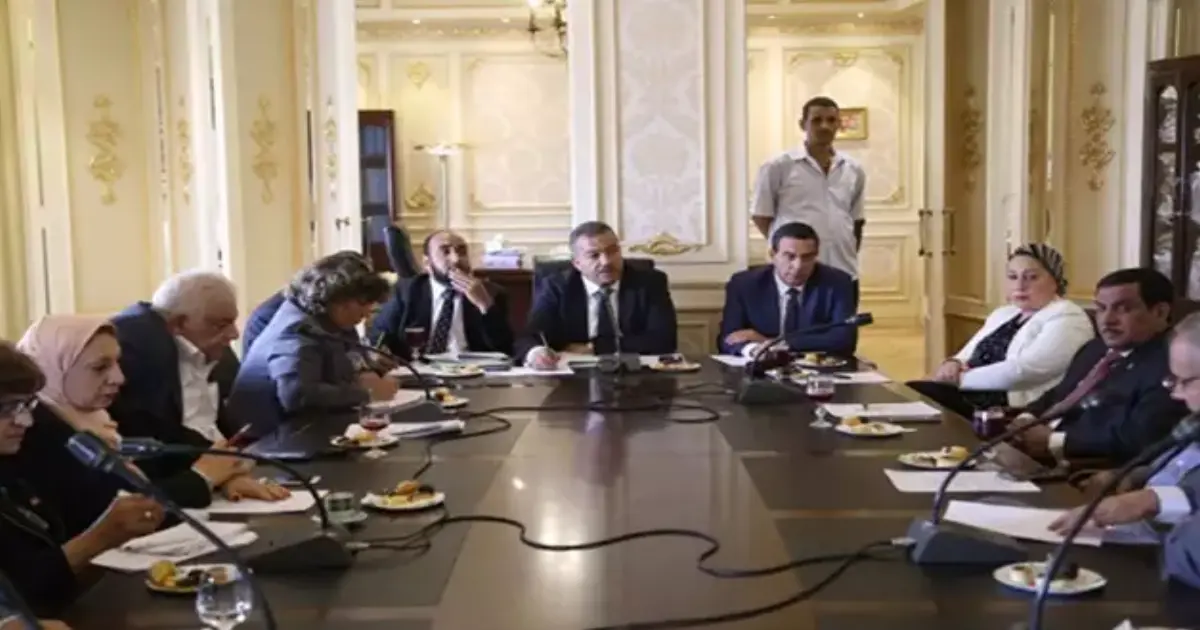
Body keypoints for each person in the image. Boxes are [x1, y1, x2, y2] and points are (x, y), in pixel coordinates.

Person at [14, 315, 284, 519]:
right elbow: (111, 510)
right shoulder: (32, 434)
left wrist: (227, 476)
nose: (119, 378)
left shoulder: (111, 411)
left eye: (117, 363)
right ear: (52, 369)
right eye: (100, 367)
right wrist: (204, 478)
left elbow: (190, 448)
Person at [0, 341, 165, 617]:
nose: (25, 421)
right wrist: (101, 536)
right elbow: (22, 589)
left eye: (27, 405)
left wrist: (111, 534)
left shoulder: (12, 467)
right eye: (7, 409)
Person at [1010, 268, 1186, 465]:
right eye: (1101, 308)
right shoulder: (1095, 348)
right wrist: (1027, 417)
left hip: (1079, 467)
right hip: (1032, 451)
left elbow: (1140, 437)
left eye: (1122, 309)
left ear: (1160, 312)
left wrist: (1054, 441)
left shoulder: (1175, 364)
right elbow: (1060, 393)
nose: (1107, 320)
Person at [1049, 312, 1200, 539]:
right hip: (1130, 534)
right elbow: (1178, 469)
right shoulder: (1193, 423)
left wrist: (1150, 500)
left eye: (1185, 382)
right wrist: (1130, 475)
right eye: (1173, 380)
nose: (1176, 394)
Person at [908, 244, 1094, 418]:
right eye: (1013, 277)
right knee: (910, 394)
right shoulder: (1005, 313)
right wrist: (953, 363)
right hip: (969, 393)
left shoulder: (1068, 316)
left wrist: (959, 380)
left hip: (1010, 408)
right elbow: (968, 352)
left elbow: (1026, 371)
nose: (1020, 285)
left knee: (918, 396)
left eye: (1031, 277)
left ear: (1055, 281)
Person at [229, 254, 396, 434]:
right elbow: (296, 395)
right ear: (338, 299)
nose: (369, 310)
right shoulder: (295, 330)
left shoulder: (328, 321)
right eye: (364, 302)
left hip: (302, 430)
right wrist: (366, 393)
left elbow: (341, 371)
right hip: (266, 439)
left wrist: (367, 371)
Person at [515, 221, 678, 369]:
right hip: (572, 381)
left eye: (612, 251)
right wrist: (537, 353)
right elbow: (531, 335)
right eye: (594, 255)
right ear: (577, 263)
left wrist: (595, 348)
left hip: (635, 375)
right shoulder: (557, 287)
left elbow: (664, 340)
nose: (606, 261)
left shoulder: (649, 283)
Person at [750, 96, 866, 299]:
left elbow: (856, 219)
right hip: (795, 272)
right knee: (797, 320)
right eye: (816, 120)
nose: (824, 126)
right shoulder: (778, 166)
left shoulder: (853, 169)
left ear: (839, 125)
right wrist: (789, 248)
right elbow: (761, 215)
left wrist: (848, 250)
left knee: (844, 320)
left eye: (831, 120)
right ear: (803, 124)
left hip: (843, 267)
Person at [109, 271, 242, 446]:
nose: (234, 334)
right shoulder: (136, 347)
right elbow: (147, 432)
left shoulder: (216, 348)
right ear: (178, 323)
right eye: (221, 325)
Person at [717, 221, 857, 357]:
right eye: (790, 256)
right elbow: (729, 338)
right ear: (773, 255)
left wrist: (773, 343)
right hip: (761, 367)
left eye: (807, 257)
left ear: (816, 256)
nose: (798, 266)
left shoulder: (837, 283)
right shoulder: (745, 284)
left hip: (816, 368)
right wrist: (754, 350)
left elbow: (844, 340)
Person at [369, 230, 513, 358]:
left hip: (473, 371)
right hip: (420, 369)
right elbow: (379, 337)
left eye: (462, 251)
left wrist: (485, 305)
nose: (456, 259)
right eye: (445, 252)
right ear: (427, 263)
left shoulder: (491, 293)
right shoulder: (407, 291)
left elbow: (505, 349)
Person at [243, 251, 372, 355]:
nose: (367, 312)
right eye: (361, 301)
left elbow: (351, 354)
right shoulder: (270, 318)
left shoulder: (331, 312)